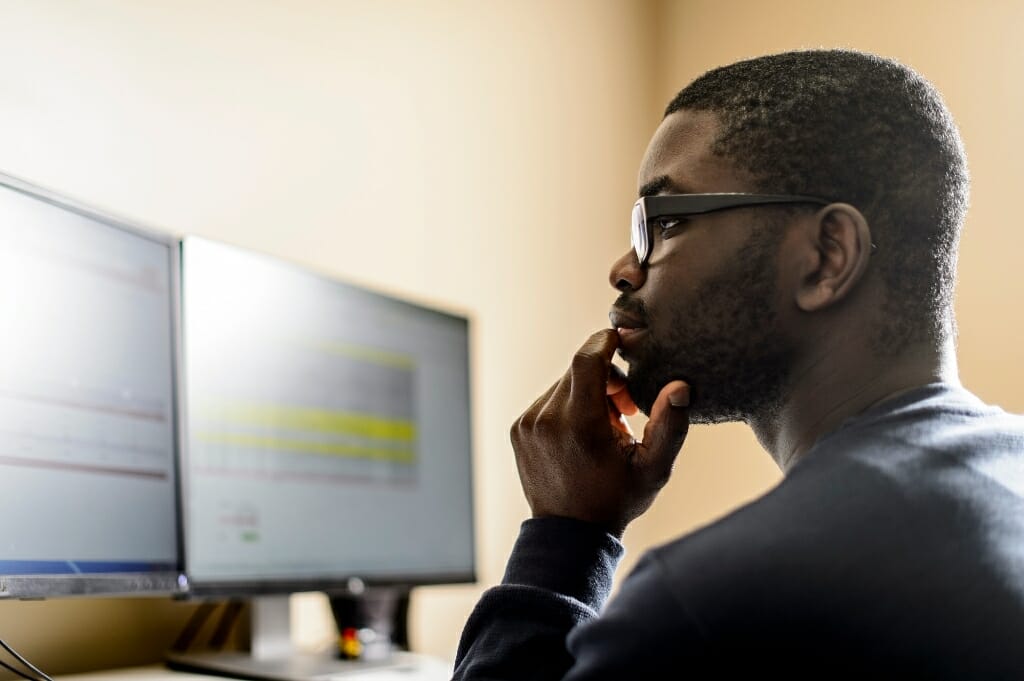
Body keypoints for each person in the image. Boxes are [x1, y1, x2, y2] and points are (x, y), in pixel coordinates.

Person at [451, 50, 1024, 680]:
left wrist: (563, 541)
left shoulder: (715, 606)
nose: (623, 269)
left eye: (664, 222)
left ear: (827, 257)